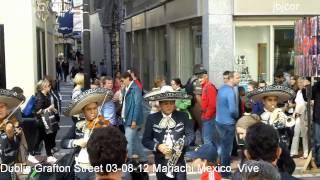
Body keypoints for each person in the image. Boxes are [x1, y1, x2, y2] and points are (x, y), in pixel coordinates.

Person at [62, 88, 113, 180]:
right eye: (89, 109)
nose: (93, 112)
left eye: (94, 108)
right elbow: (63, 142)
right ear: (83, 112)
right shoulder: (78, 125)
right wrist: (76, 142)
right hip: (79, 168)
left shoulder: (104, 124)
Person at [143, 89, 194, 180]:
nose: (169, 106)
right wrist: (158, 146)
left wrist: (181, 143)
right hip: (161, 161)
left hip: (179, 161)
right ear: (160, 104)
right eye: (166, 103)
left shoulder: (183, 116)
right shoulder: (152, 118)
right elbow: (146, 140)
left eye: (171, 103)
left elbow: (190, 135)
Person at [247, 85, 296, 174]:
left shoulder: (281, 114)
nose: (273, 103)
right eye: (270, 100)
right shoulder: (257, 116)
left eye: (275, 100)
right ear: (263, 101)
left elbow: (290, 135)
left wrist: (288, 126)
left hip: (281, 154)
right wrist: (272, 121)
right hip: (264, 157)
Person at [215, 71, 238, 178]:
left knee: (221, 147)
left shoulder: (221, 89)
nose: (239, 79)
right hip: (228, 123)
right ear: (231, 78)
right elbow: (233, 110)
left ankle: (219, 169)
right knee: (227, 150)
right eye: (237, 78)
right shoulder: (230, 91)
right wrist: (236, 116)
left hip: (219, 121)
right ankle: (225, 172)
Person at [121, 72, 147, 163]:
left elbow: (137, 105)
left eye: (123, 80)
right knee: (135, 140)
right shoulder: (126, 88)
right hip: (127, 118)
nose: (122, 82)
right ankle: (144, 158)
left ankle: (128, 161)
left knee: (128, 142)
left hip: (132, 119)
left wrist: (134, 120)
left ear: (128, 78)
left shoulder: (135, 88)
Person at [0, 88, 25, 179]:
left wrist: (10, 136)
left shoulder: (12, 123)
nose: (0, 109)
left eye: (2, 107)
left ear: (7, 109)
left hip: (5, 169)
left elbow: (15, 146)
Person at [34, 79, 59, 164]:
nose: (50, 87)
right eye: (49, 86)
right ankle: (33, 154)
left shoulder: (45, 95)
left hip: (45, 121)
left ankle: (48, 155)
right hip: (42, 122)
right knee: (42, 139)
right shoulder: (40, 97)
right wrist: (49, 108)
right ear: (44, 87)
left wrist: (53, 109)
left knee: (45, 139)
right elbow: (37, 111)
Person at [193, 65, 218, 146]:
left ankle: (211, 157)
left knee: (207, 140)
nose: (199, 80)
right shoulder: (205, 87)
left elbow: (213, 105)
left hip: (209, 117)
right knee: (207, 139)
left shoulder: (209, 87)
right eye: (198, 77)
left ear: (206, 76)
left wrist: (207, 116)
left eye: (201, 77)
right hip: (207, 117)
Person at [290, 77, 308, 159]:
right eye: (298, 83)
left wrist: (299, 112)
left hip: (304, 115)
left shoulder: (307, 91)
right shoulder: (298, 92)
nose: (299, 84)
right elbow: (297, 104)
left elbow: (306, 103)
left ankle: (306, 153)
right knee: (295, 133)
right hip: (297, 115)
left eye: (301, 82)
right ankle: (294, 152)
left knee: (304, 135)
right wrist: (294, 113)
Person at [312, 79, 320, 166]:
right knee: (318, 142)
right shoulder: (317, 87)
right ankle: (318, 161)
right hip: (318, 118)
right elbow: (307, 97)